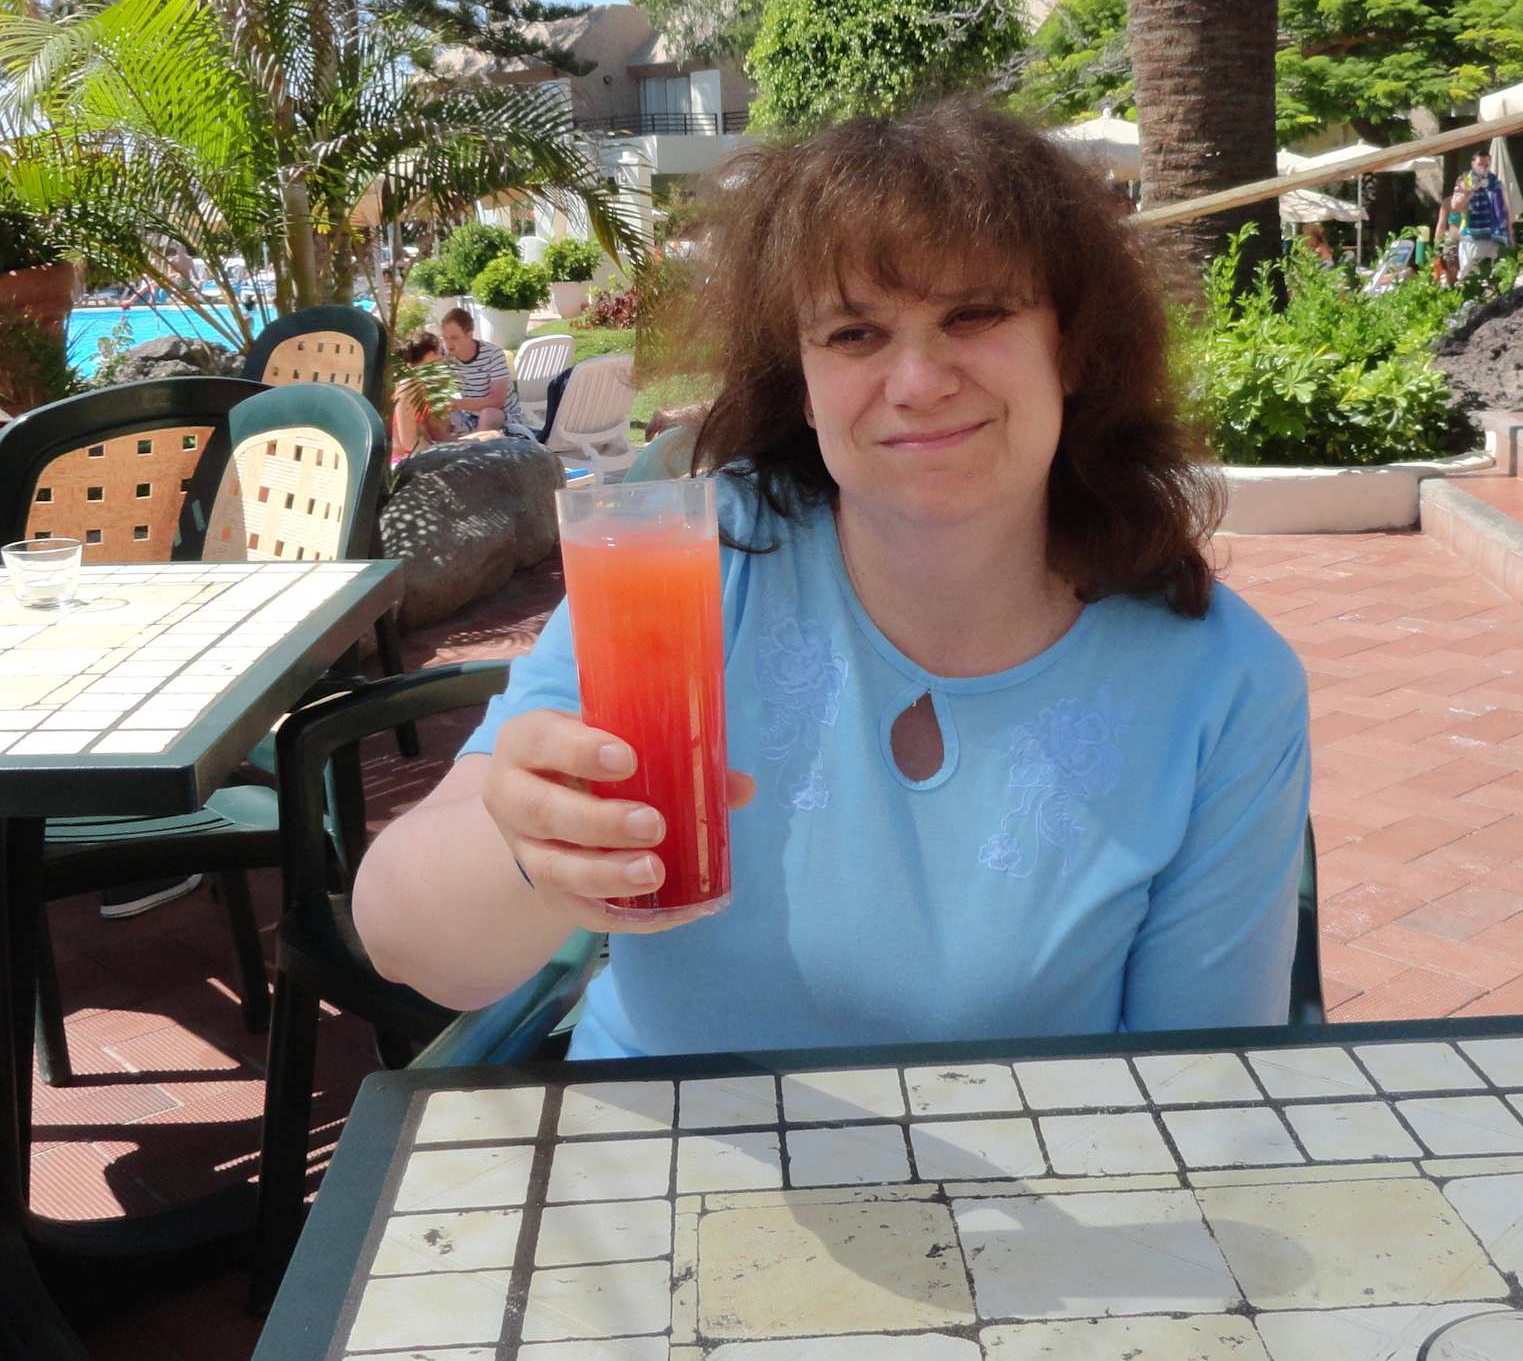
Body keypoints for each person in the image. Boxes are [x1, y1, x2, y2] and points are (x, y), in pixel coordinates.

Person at [351, 101, 1311, 1059]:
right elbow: (402, 938)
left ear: (1073, 350)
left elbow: (1202, 1088)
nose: (918, 382)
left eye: (974, 314)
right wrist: (532, 855)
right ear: (802, 386)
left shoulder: (1223, 683)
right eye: (854, 333)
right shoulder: (695, 566)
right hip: (662, 1142)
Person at [436, 307, 534, 439]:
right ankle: (451, 442)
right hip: (470, 414)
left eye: (454, 338)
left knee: (488, 414)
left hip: (501, 414)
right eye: (445, 337)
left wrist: (457, 404)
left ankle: (466, 443)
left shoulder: (493, 354)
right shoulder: (447, 357)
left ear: (469, 334)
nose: (448, 343)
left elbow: (497, 401)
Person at [390, 330, 454, 457]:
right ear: (431, 355)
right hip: (407, 458)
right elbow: (409, 442)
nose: (444, 358)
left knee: (489, 436)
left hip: (424, 449)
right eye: (442, 352)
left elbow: (437, 432)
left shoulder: (422, 383)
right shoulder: (408, 385)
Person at [1460, 153, 1513, 275]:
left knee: (1493, 273)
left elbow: (1503, 206)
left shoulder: (1494, 181)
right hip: (1471, 235)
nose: (1483, 168)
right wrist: (1471, 189)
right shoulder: (1465, 181)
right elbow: (1458, 207)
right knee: (1469, 273)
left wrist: (1510, 232)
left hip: (1492, 234)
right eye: (1480, 164)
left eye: (1486, 165)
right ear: (1472, 164)